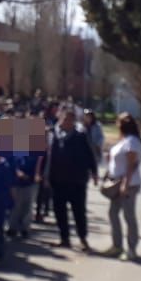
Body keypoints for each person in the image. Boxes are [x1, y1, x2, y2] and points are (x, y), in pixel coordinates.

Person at [46, 107, 98, 251]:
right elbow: (46, 156)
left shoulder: (81, 135)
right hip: (57, 180)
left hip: (77, 180)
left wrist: (94, 172)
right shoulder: (53, 134)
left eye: (70, 120)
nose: (66, 122)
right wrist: (45, 175)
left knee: (79, 211)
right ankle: (64, 238)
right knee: (59, 210)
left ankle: (83, 238)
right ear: (60, 119)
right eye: (64, 119)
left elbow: (90, 154)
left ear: (74, 121)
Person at [106, 113, 141, 261]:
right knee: (113, 213)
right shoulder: (123, 140)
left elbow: (131, 165)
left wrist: (125, 184)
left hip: (128, 184)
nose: (116, 124)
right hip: (116, 183)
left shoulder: (132, 141)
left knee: (128, 215)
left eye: (118, 122)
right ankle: (117, 245)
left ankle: (132, 249)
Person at [8, 144, 42, 241]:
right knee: (15, 206)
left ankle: (25, 228)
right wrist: (17, 172)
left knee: (28, 206)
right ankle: (12, 227)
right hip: (16, 182)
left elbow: (39, 164)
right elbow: (11, 162)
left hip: (30, 182)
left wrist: (37, 175)